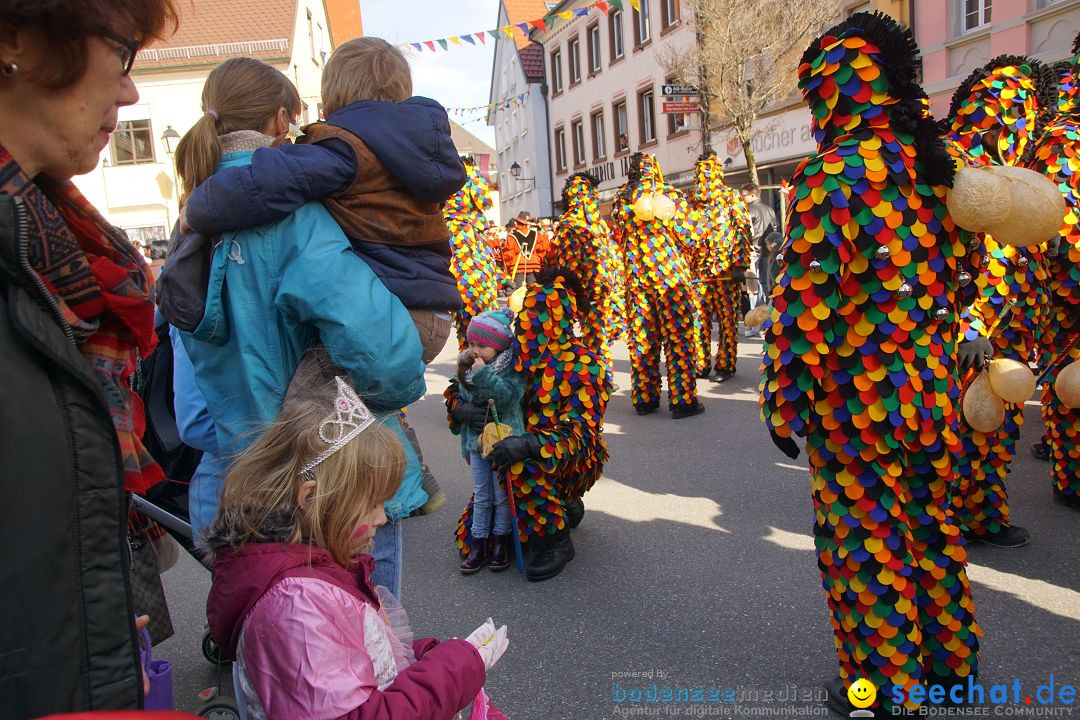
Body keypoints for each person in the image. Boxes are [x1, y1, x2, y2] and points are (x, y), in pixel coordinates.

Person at [760, 13, 981, 714]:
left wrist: (783, 401)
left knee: (865, 542)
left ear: (832, 93)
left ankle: (888, 690)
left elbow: (803, 304)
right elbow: (966, 279)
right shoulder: (939, 169)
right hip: (927, 388)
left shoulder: (831, 177)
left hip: (854, 401)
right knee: (931, 529)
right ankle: (952, 670)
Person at [170, 57, 427, 597]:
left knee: (283, 652)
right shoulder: (292, 215)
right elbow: (386, 357)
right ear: (280, 120)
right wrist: (397, 386)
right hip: (335, 486)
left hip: (254, 481)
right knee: (364, 652)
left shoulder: (193, 219)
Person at [0, 0, 177, 715]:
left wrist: (93, 639)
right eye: (124, 52)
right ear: (15, 35)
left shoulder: (55, 241)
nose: (130, 91)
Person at [205, 371, 507, 719]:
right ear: (311, 497)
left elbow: (349, 660)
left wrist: (429, 660)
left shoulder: (312, 571)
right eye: (372, 503)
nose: (382, 517)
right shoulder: (296, 605)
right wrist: (454, 670)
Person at [180, 37, 466, 365]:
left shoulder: (346, 149)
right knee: (353, 405)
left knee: (309, 405)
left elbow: (269, 183)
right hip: (428, 313)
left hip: (389, 312)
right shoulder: (415, 150)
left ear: (330, 104)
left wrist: (199, 208)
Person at [942, 55, 1057, 547]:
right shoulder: (949, 168)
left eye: (1017, 112)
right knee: (962, 426)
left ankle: (982, 514)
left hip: (1003, 322)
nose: (1007, 122)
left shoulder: (1010, 173)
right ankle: (951, 519)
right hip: (963, 329)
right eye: (998, 110)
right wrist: (969, 323)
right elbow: (951, 256)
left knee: (992, 429)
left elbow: (1008, 246)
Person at [448, 268, 612, 581]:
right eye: (526, 310)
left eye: (538, 311)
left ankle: (557, 540)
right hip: (508, 448)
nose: (527, 319)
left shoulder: (584, 363)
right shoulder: (514, 353)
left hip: (561, 455)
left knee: (527, 469)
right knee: (473, 531)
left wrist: (529, 444)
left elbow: (582, 434)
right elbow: (462, 383)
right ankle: (562, 507)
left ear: (559, 317)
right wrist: (461, 408)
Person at [1027, 35, 1080, 512]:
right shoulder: (1064, 139)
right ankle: (1072, 475)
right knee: (1070, 386)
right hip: (1069, 292)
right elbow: (1053, 218)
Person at [611, 153, 704, 419]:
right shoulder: (668, 196)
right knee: (679, 339)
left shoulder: (621, 202)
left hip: (637, 281)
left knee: (643, 340)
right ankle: (683, 400)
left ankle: (645, 398)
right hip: (669, 280)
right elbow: (693, 236)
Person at [450, 309, 525, 574]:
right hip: (476, 443)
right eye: (471, 344)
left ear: (499, 345)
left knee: (502, 496)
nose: (475, 350)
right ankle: (478, 543)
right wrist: (463, 415)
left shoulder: (510, 368)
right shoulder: (468, 366)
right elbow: (464, 403)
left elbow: (507, 398)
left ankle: (500, 544)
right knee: (483, 495)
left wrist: (484, 375)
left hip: (502, 443)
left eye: (482, 345)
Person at [552, 172, 625, 380]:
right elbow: (568, 266)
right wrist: (579, 295)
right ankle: (599, 378)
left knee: (609, 332)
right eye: (585, 195)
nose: (590, 200)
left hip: (609, 293)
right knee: (596, 337)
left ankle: (597, 373)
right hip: (589, 295)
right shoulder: (568, 227)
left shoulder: (598, 225)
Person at [688, 152, 753, 383]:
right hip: (699, 273)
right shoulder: (692, 202)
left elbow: (742, 230)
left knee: (727, 320)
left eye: (708, 173)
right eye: (700, 173)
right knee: (699, 320)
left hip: (725, 271)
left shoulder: (730, 197)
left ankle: (725, 364)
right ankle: (700, 363)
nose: (704, 179)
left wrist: (740, 264)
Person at [445, 159, 502, 349]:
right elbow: (485, 202)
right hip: (474, 279)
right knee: (482, 322)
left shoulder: (448, 226)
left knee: (467, 325)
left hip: (459, 279)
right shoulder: (471, 229)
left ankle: (468, 362)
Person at [740, 183, 779, 302]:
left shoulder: (748, 211)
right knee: (766, 281)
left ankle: (757, 315)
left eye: (744, 195)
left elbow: (745, 231)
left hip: (753, 251)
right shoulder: (770, 209)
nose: (742, 198)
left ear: (752, 195)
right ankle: (769, 309)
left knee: (754, 287)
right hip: (768, 251)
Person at [501, 211, 550, 286]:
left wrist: (509, 267)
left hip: (518, 265)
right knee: (533, 289)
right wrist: (538, 258)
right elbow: (542, 248)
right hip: (534, 265)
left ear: (517, 222)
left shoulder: (512, 236)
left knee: (519, 291)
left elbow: (509, 254)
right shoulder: (537, 234)